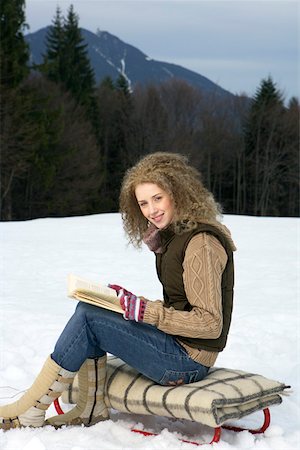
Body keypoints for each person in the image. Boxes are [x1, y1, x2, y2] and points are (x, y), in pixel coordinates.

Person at [0, 152, 236, 430]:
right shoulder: (176, 237)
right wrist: (131, 303)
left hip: (187, 362)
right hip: (178, 347)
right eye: (143, 203)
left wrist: (148, 312)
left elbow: (209, 323)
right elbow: (182, 304)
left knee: (90, 317)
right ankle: (90, 408)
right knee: (95, 309)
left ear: (179, 192)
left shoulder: (201, 244)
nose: (151, 210)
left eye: (158, 198)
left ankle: (30, 409)